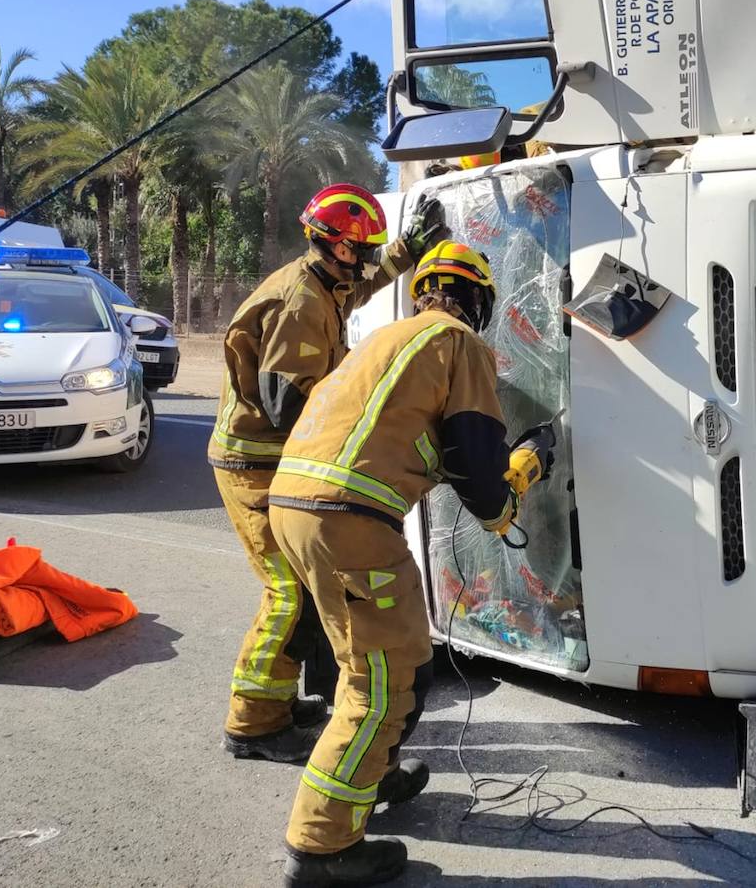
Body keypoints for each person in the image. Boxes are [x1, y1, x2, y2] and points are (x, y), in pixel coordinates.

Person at [268, 241, 551, 887]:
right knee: (382, 686)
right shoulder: (459, 341)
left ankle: (374, 774)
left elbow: (412, 440)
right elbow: (477, 475)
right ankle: (321, 847)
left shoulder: (387, 338)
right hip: (350, 519)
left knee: (389, 662)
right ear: (478, 299)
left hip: (296, 506)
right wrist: (525, 467)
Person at [209, 184, 446, 763]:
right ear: (334, 245)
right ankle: (253, 723)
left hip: (271, 459)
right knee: (288, 594)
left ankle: (277, 700)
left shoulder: (324, 282)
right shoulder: (300, 303)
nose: (365, 260)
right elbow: (287, 405)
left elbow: (360, 289)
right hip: (255, 463)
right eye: (360, 249)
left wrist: (407, 250)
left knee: (302, 593)